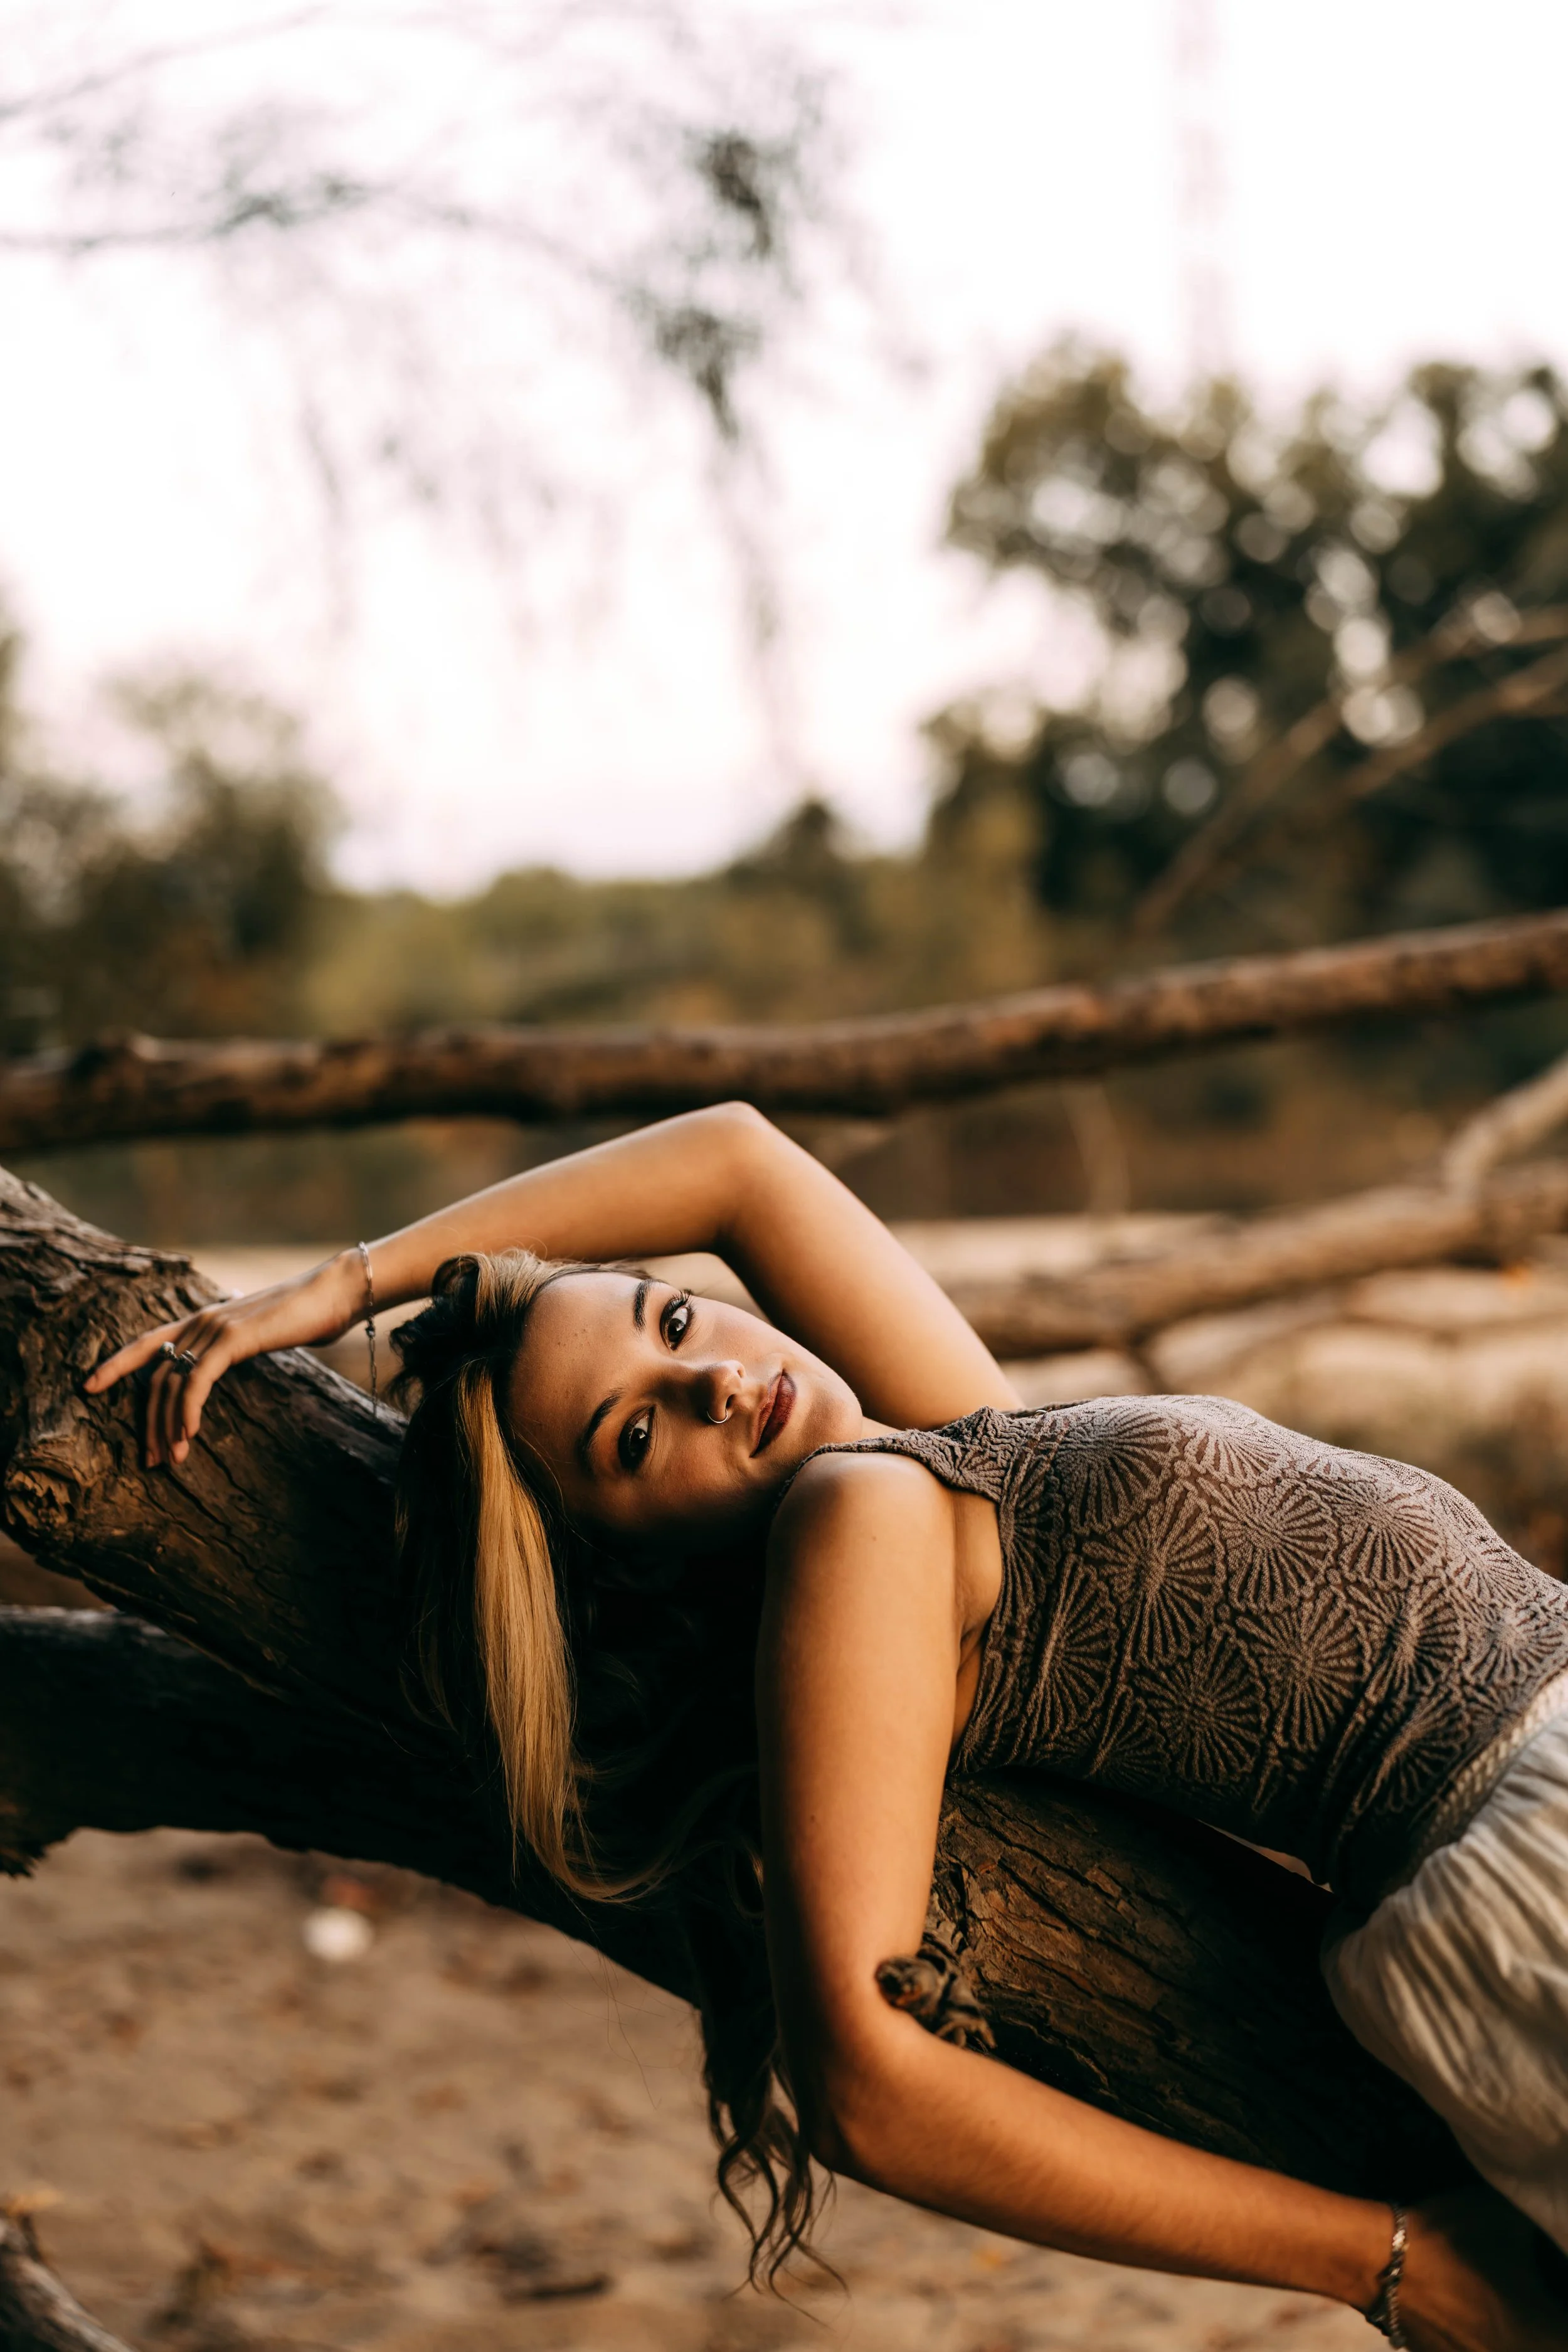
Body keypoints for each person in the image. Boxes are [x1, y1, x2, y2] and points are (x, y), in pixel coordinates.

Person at [88, 1103, 1568, 2351]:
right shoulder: (864, 1522)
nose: (714, 1378)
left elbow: (735, 1160)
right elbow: (861, 2089)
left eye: (671, 1319)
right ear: (627, 1568)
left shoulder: (938, 1451)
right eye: (636, 1435)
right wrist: (1384, 2260)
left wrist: (343, 1287)